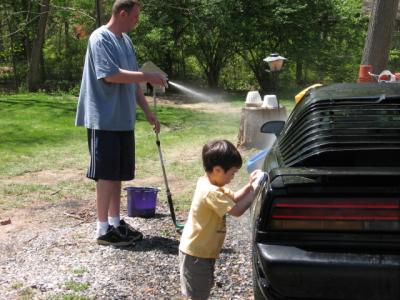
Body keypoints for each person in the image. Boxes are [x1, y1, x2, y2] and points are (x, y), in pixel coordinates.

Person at [75, 0, 167, 247]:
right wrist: (148, 75)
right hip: (103, 119)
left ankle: (116, 223)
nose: (138, 21)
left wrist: (148, 112)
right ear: (123, 14)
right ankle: (102, 229)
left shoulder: (126, 40)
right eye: (135, 17)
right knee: (105, 175)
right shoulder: (99, 38)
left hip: (123, 121)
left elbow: (132, 81)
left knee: (118, 174)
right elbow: (111, 75)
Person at [179, 139, 259, 299]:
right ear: (217, 170)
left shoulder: (212, 184)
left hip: (202, 253)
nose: (233, 178)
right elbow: (236, 210)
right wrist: (254, 193)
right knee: (197, 295)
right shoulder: (210, 192)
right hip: (196, 255)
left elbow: (235, 197)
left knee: (201, 291)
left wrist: (250, 185)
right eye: (232, 173)